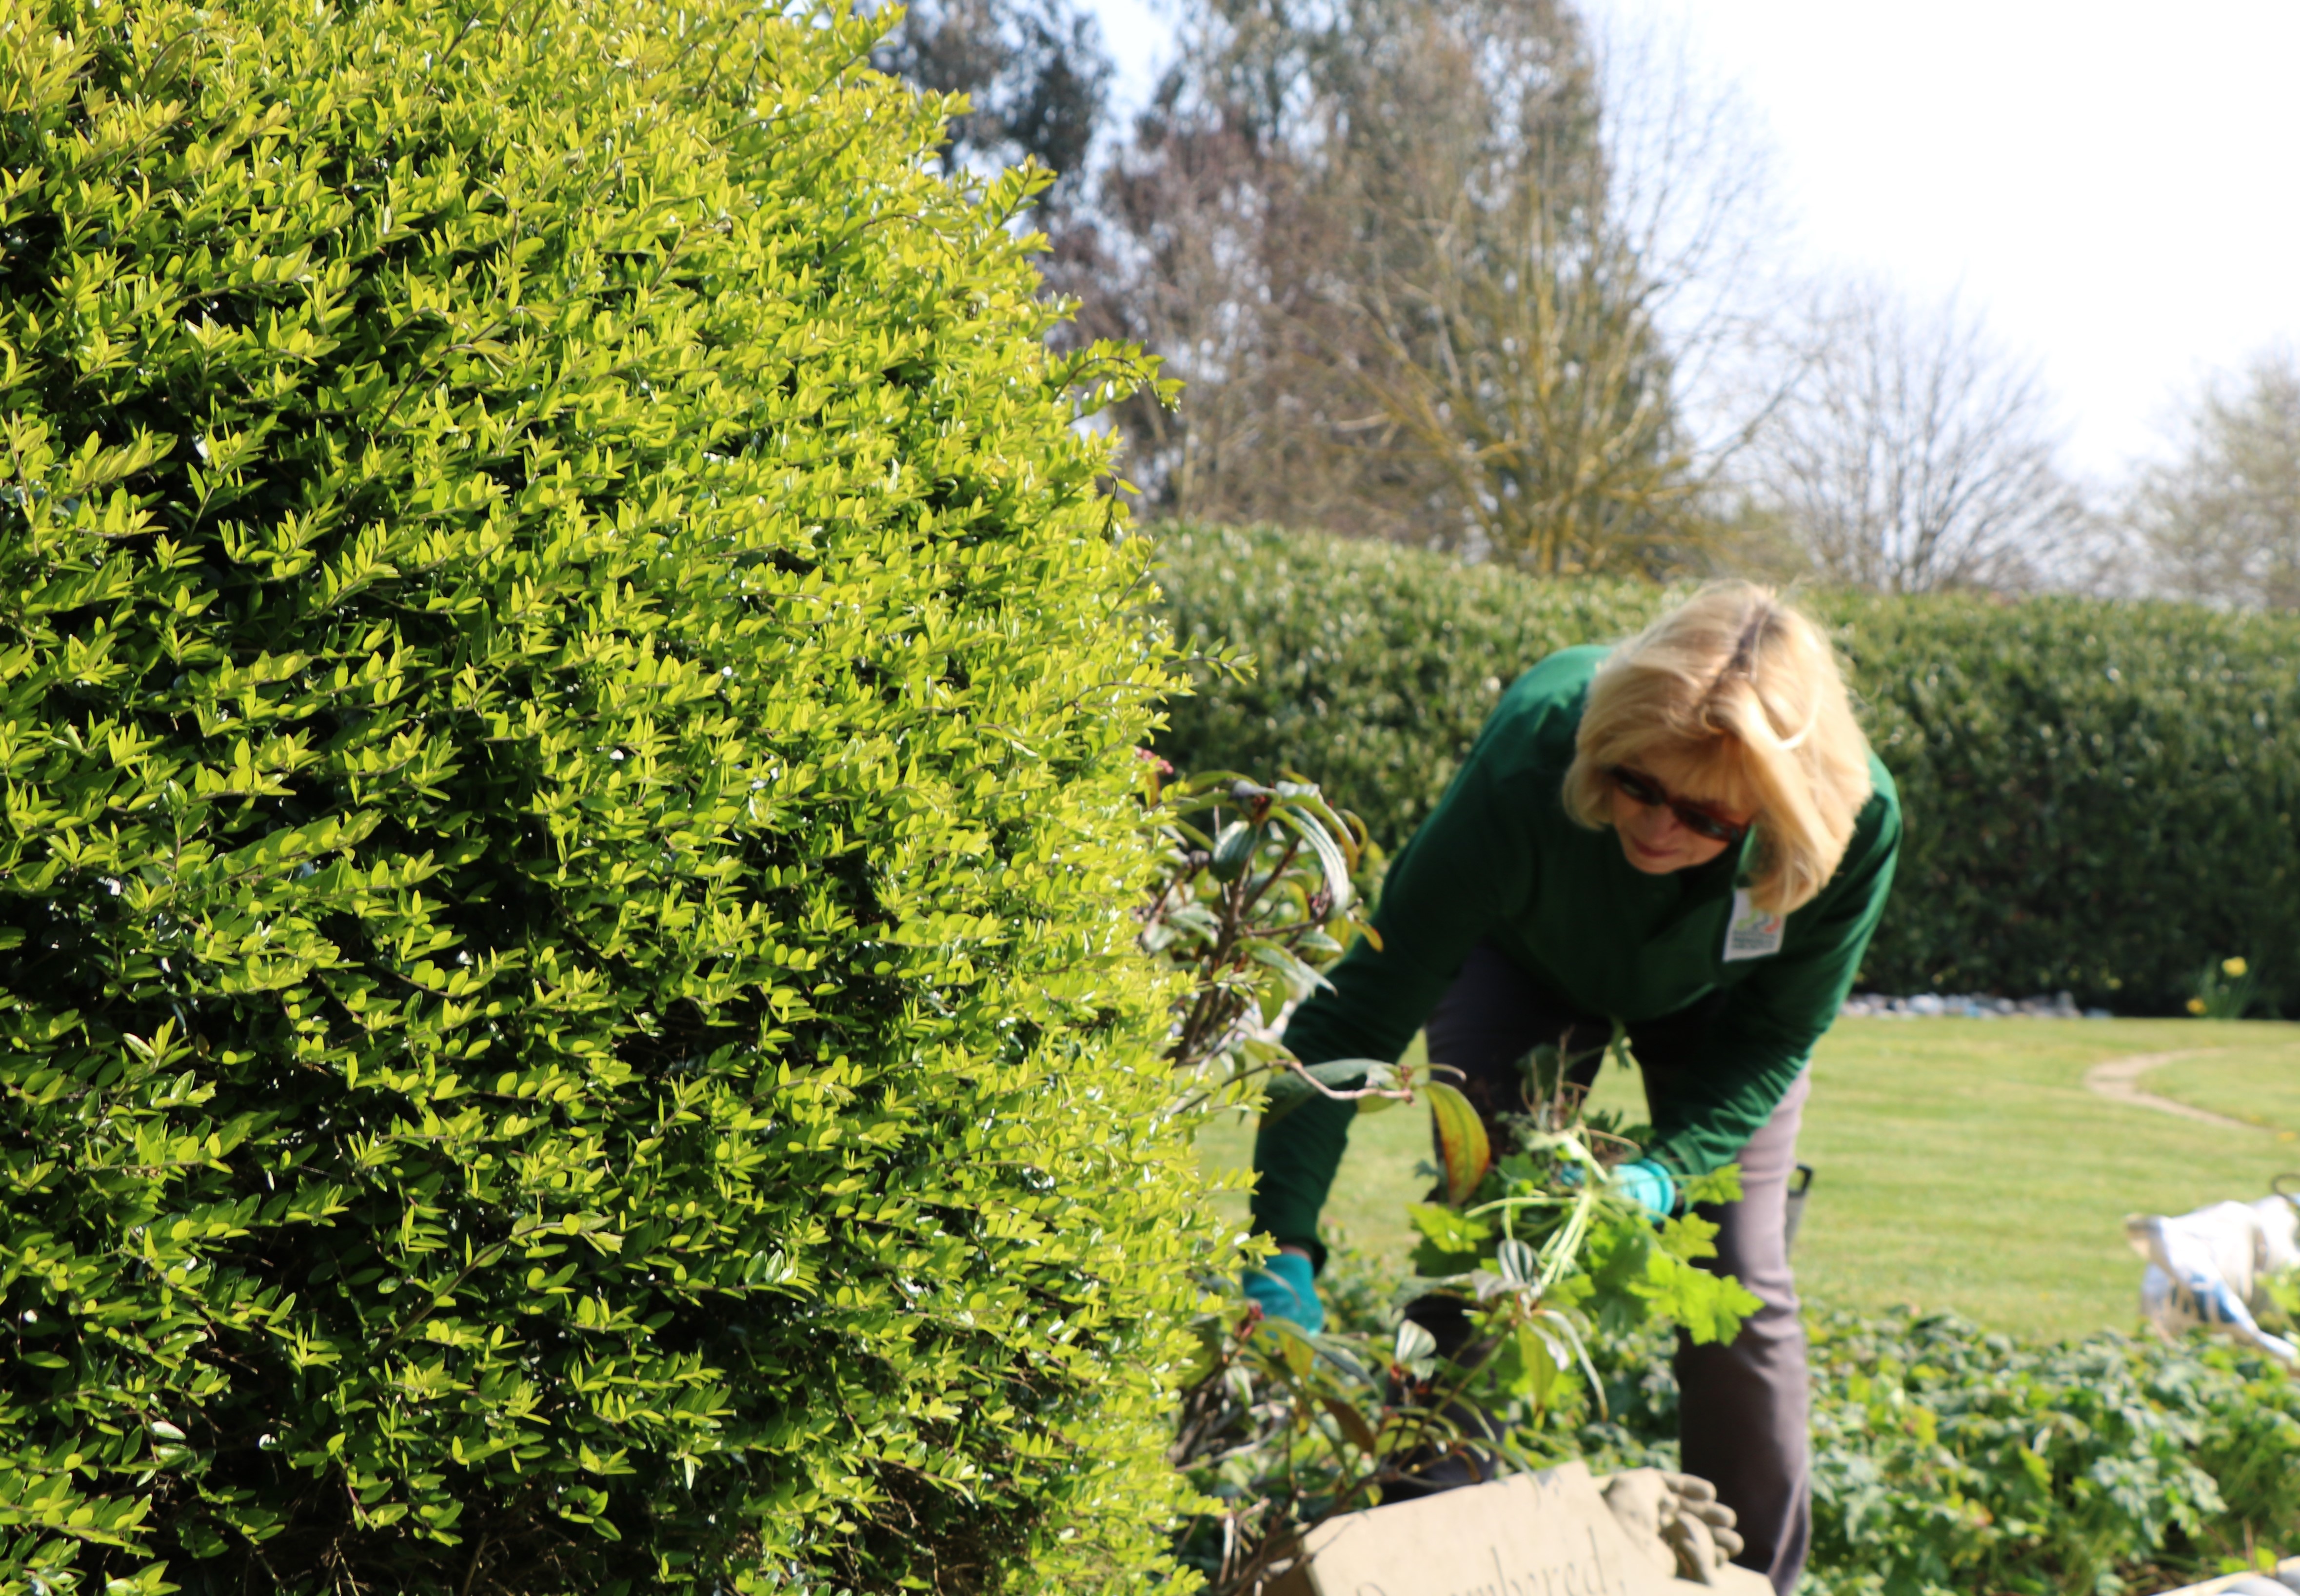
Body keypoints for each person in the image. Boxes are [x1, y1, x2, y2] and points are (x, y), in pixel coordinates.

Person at [1241, 583, 1900, 1596]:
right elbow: (1359, 1012)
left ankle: (1756, 1582)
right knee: (1491, 1239)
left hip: (1728, 1005)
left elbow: (1775, 1036)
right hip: (1531, 960)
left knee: (1742, 1276)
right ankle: (1423, 1556)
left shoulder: (1847, 823)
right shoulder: (1533, 753)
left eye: (1707, 816)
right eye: (1638, 786)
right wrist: (1281, 1237)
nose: (1659, 827)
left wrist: (1668, 1171)